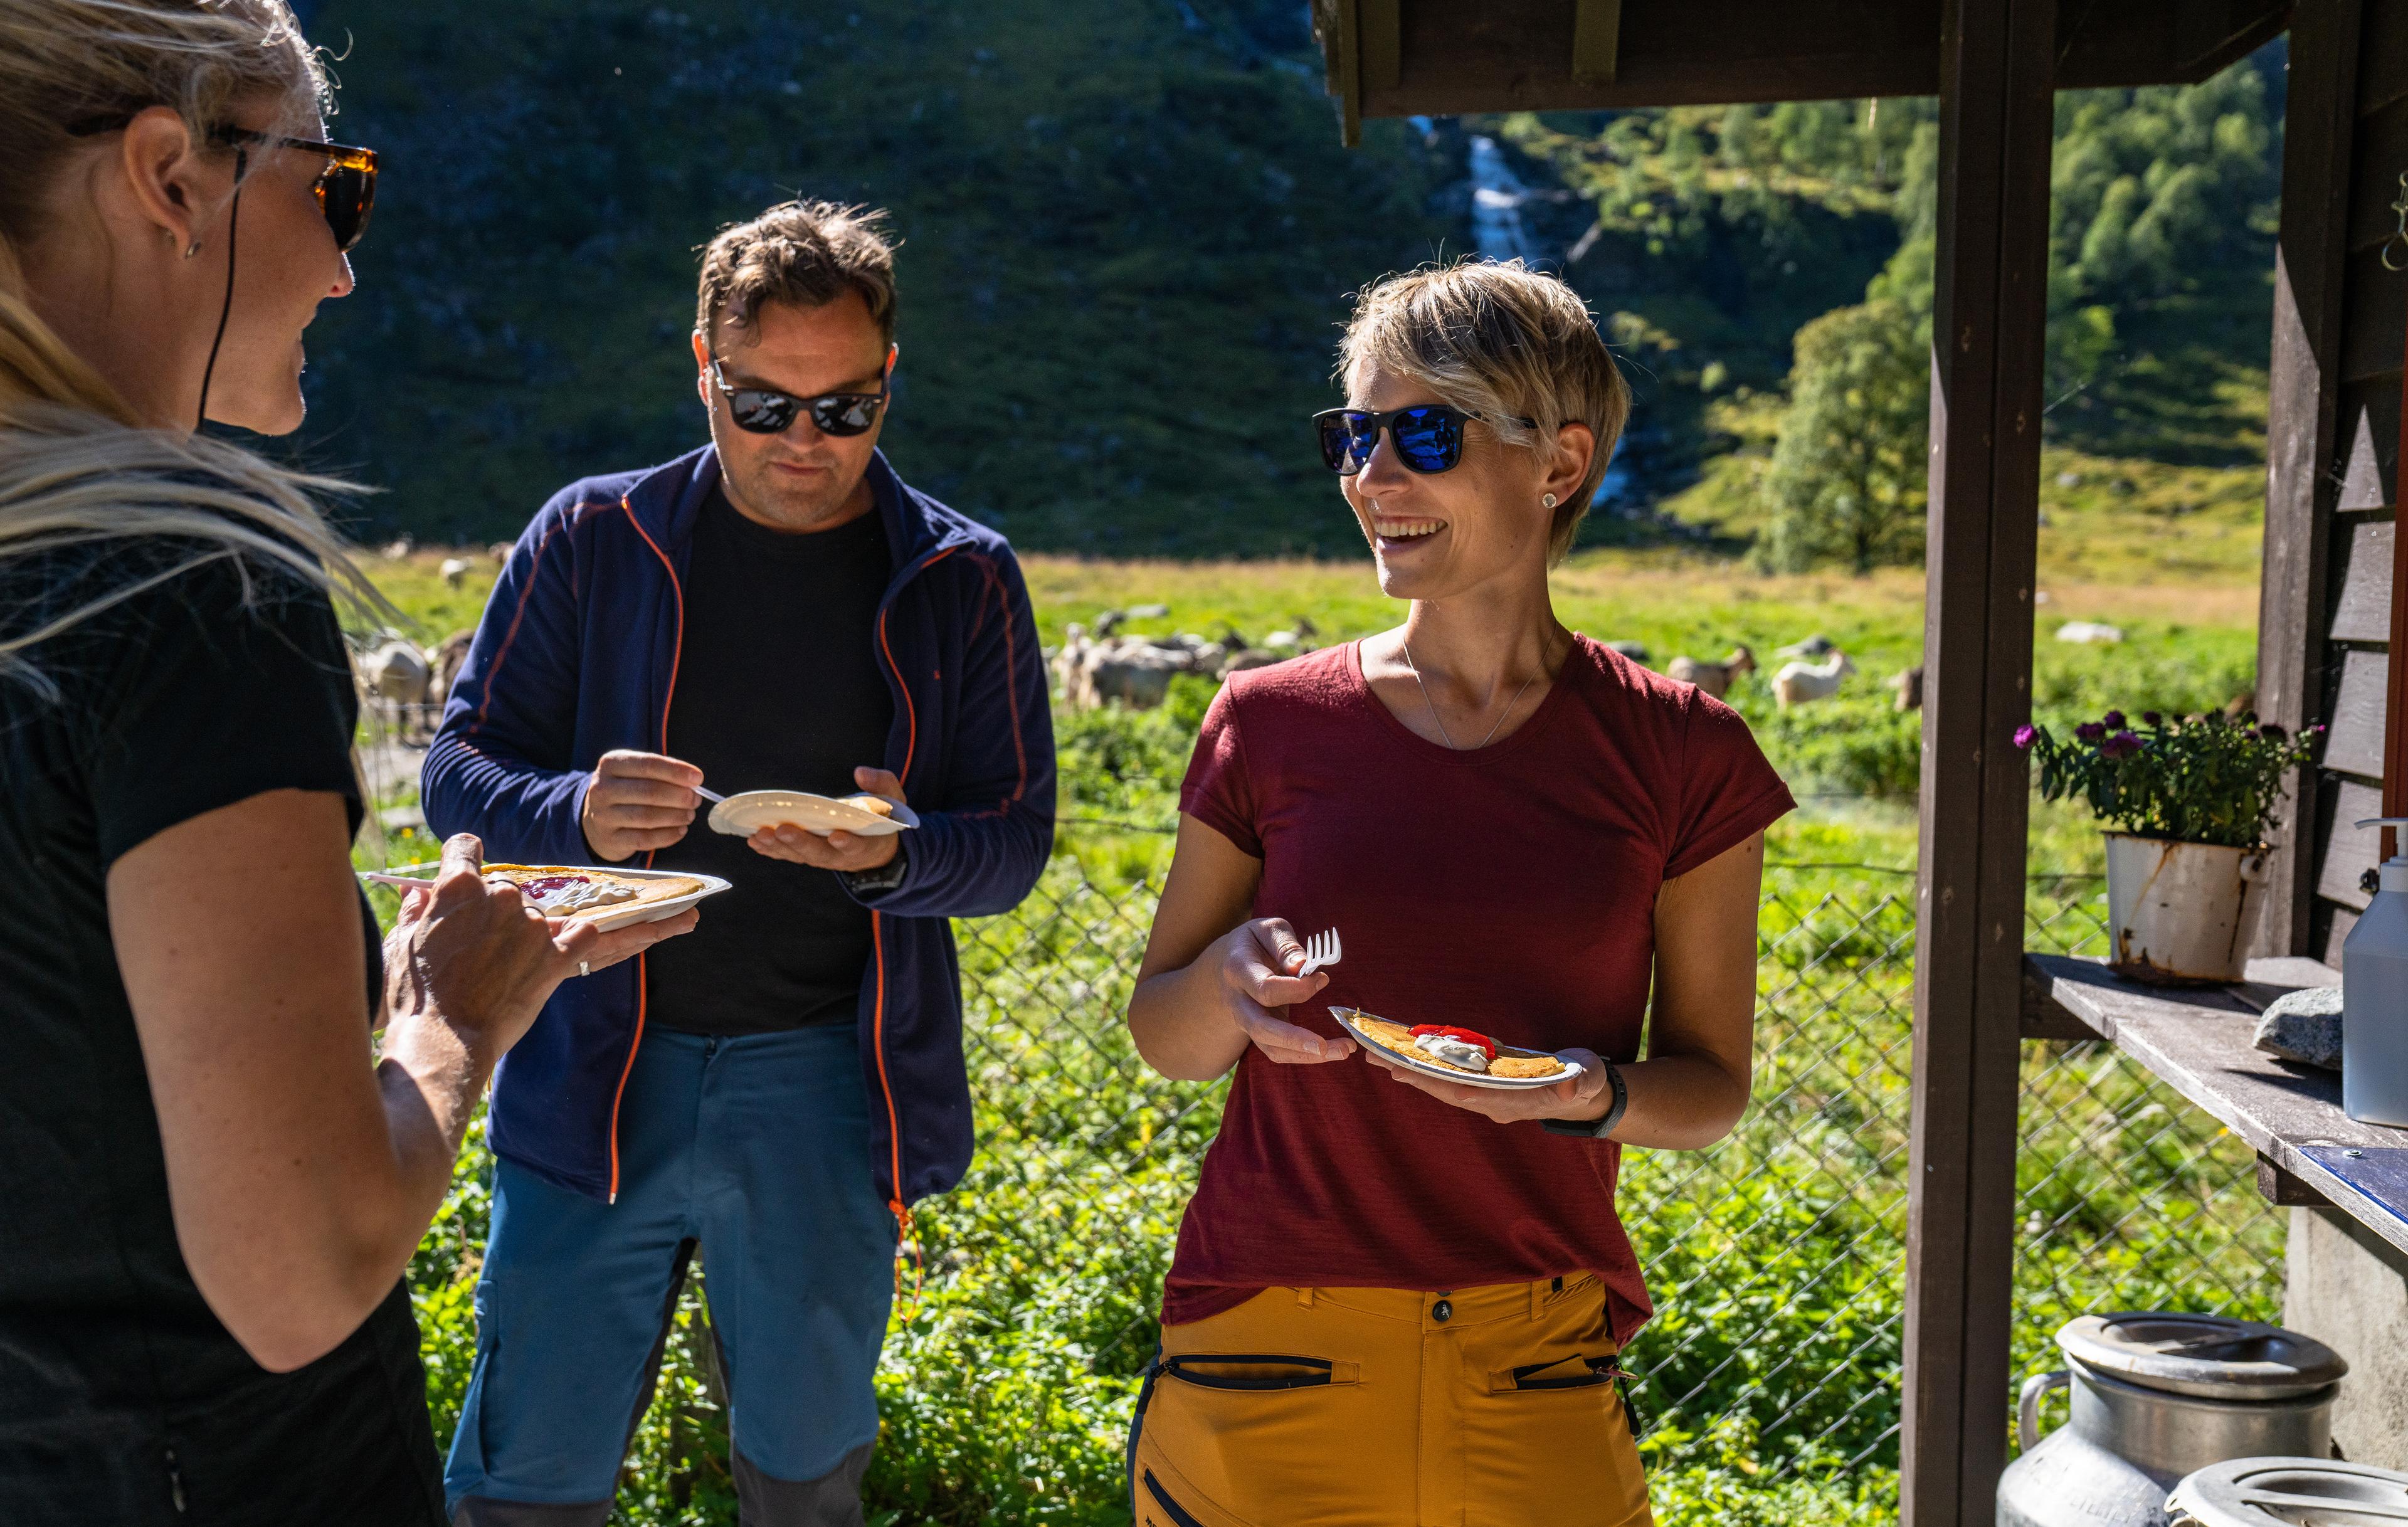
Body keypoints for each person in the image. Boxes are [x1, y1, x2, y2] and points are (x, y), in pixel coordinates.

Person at [0, 4, 698, 1524]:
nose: (343, 261)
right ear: (172, 176)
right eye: (335, 186)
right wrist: (452, 1016)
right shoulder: (180, 594)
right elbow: (299, 1269)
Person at [1122, 259, 1796, 1527]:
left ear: (1560, 462)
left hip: (1531, 1360)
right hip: (1270, 1346)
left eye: (1423, 433)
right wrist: (1226, 989)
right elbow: (1165, 1036)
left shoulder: (1687, 752)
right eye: (1353, 435)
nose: (1373, 477)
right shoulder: (1266, 722)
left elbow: (1708, 1085)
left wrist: (1590, 1098)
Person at [423, 199, 1055, 1526]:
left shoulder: (963, 575)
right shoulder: (592, 537)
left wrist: (897, 855)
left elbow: (1008, 849)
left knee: (805, 1481)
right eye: (765, 407)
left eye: (846, 407)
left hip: (829, 1080)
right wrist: (577, 814)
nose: (807, 443)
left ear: (894, 380)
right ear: (702, 371)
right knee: (524, 1480)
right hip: (591, 1062)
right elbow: (457, 774)